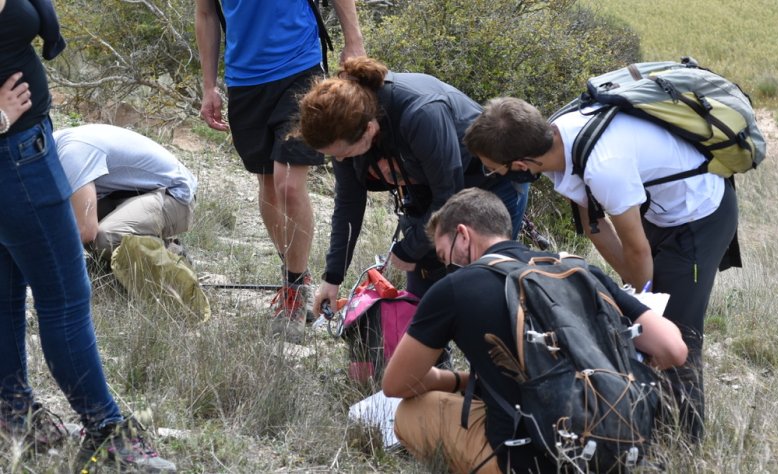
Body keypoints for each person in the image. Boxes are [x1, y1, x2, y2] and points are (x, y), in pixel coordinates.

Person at [464, 97, 740, 442]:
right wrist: (628, 294)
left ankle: (682, 444)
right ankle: (645, 425)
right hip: (659, 211)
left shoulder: (604, 166)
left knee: (674, 330)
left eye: (495, 168)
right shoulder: (556, 140)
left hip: (700, 213)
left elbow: (637, 251)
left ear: (520, 163)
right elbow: (594, 223)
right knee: (642, 325)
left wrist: (641, 305)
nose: (494, 175)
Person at [382, 188, 687, 473]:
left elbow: (397, 384)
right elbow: (672, 349)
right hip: (615, 446)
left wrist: (456, 381)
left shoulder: (453, 288)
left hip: (525, 459)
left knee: (409, 412)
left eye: (443, 254)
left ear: (462, 235)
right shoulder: (580, 269)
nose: (446, 265)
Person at [0, 0, 175, 470]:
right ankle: (106, 434)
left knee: (7, 293)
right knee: (66, 298)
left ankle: (17, 419)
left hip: (19, 154)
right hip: (14, 160)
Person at [297, 57, 531, 318]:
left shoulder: (421, 113)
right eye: (334, 155)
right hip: (430, 192)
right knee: (422, 298)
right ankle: (435, 359)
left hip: (489, 183)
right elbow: (348, 206)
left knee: (479, 283)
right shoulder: (345, 133)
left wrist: (411, 248)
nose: (340, 160)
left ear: (369, 129)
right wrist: (333, 277)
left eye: (344, 153)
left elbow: (449, 197)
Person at [194, 0, 366, 341]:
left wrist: (354, 41)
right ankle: (295, 277)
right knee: (269, 184)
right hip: (244, 80)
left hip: (299, 67)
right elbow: (206, 13)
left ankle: (293, 289)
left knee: (288, 183)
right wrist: (208, 85)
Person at [53, 123, 198, 260]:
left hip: (175, 196)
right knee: (66, 217)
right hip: (133, 193)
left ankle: (174, 255)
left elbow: (85, 231)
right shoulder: (55, 144)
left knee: (105, 239)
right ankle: (127, 252)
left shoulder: (72, 154)